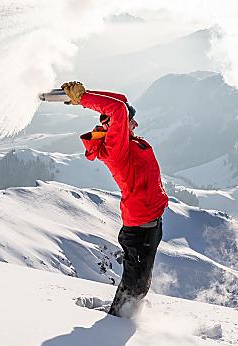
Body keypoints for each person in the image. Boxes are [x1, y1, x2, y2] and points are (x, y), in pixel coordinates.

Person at [61, 81, 168, 317]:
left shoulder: (126, 142)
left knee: (141, 281)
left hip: (151, 223)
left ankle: (127, 314)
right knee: (136, 284)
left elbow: (121, 100)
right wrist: (84, 100)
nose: (136, 124)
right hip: (140, 227)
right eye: (131, 122)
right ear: (115, 127)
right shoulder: (116, 149)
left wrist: (86, 95)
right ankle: (117, 321)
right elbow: (118, 109)